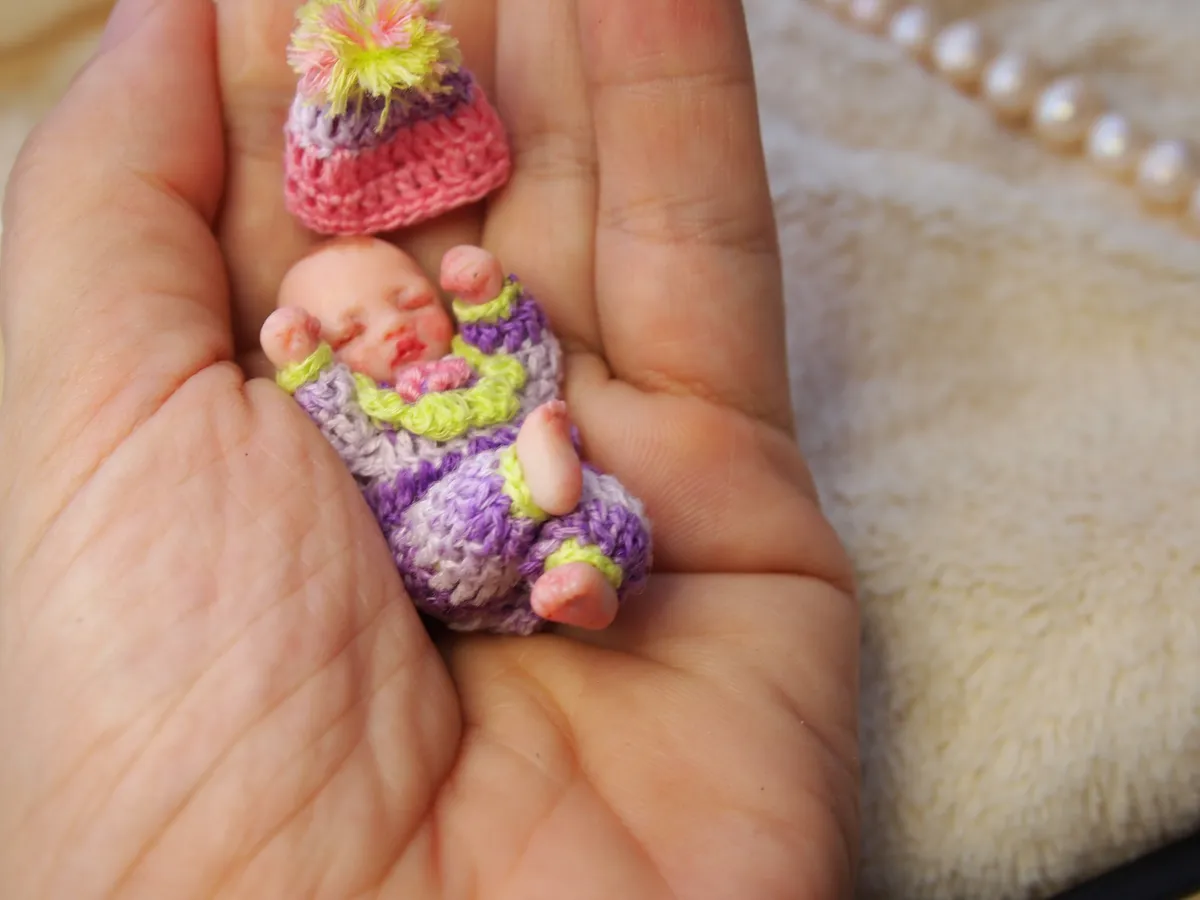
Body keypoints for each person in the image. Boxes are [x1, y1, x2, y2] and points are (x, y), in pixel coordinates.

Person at [0, 0, 861, 896]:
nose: (399, 329)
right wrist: (302, 366)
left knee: (617, 516)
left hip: (537, 502)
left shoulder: (487, 379)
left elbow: (534, 359)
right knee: (469, 513)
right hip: (444, 537)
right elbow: (332, 417)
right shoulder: (375, 423)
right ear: (331, 351)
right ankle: (536, 486)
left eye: (410, 302)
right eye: (357, 329)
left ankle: (581, 583)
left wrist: (489, 297)